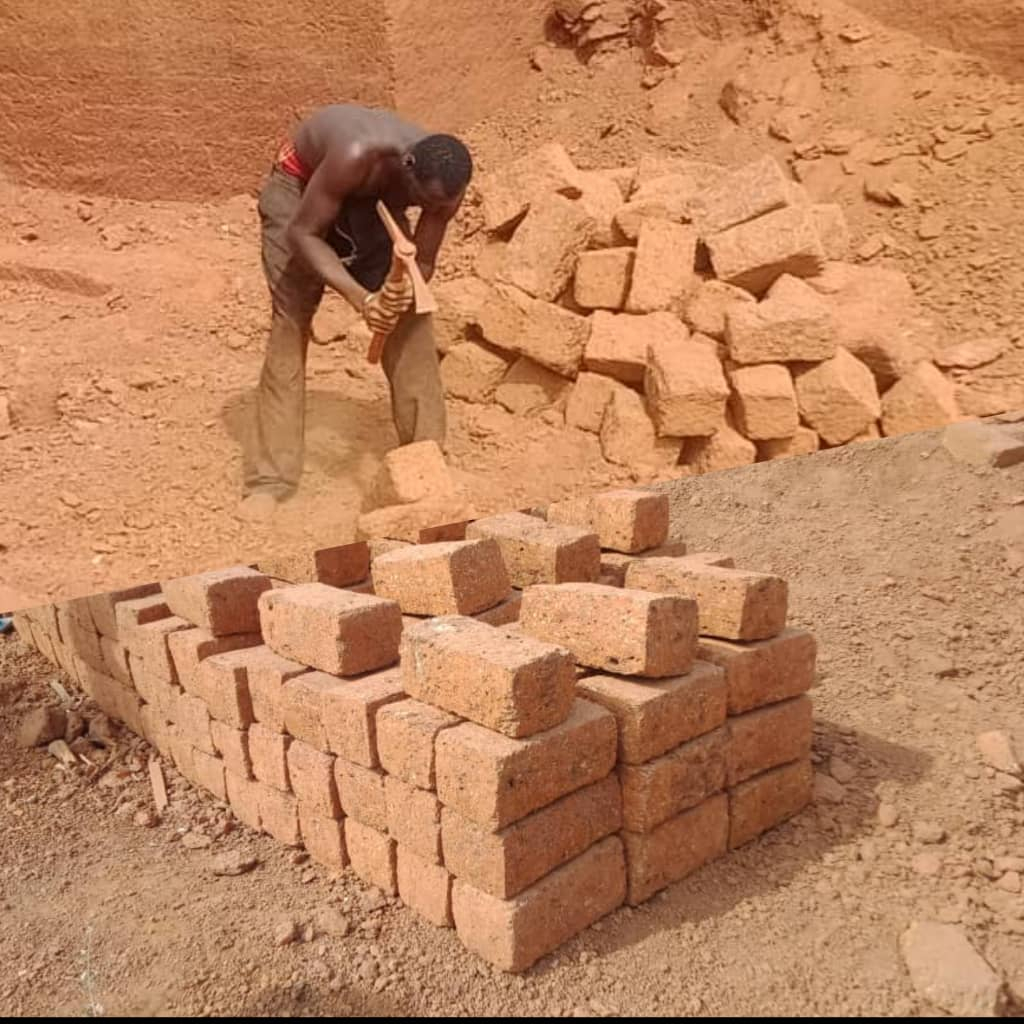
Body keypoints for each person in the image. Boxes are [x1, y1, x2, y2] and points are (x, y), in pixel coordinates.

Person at [239, 104, 473, 521]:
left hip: (372, 202)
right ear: (407, 166)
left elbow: (424, 261)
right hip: (302, 191)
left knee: (413, 318)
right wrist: (361, 299)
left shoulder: (444, 188)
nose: (434, 209)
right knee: (290, 323)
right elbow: (303, 233)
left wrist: (396, 295)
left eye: (440, 205)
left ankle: (425, 461)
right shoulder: (357, 152)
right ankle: (270, 480)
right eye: (423, 201)